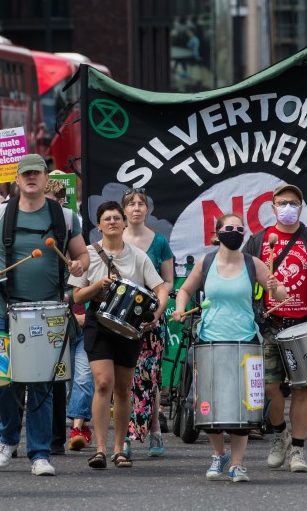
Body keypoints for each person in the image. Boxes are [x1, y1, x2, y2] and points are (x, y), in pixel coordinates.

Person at [0, 153, 88, 477]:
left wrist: (80, 264)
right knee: (1, 379)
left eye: (36, 173)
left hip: (47, 311)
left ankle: (39, 453)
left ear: (44, 178)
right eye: (24, 173)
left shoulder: (65, 216)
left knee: (41, 383)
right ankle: (8, 438)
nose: (30, 178)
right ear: (17, 179)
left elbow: (81, 255)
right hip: (3, 308)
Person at [171, 213, 285, 483]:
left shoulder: (252, 263)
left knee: (241, 409)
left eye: (240, 228)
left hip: (245, 341)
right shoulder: (207, 262)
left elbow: (280, 294)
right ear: (217, 232)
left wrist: (274, 286)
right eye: (229, 228)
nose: (235, 232)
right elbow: (185, 291)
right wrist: (179, 308)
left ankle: (237, 464)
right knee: (210, 405)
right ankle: (217, 454)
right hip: (210, 341)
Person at [242, 183, 307, 473]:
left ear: (301, 207)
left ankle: (297, 449)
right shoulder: (258, 241)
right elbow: (245, 280)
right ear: (272, 207)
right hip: (270, 325)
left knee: (301, 389)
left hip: (305, 324)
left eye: (293, 203)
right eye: (282, 203)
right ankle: (279, 435)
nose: (288, 208)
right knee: (270, 387)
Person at [69, 201, 168, 469]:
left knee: (124, 388)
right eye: (107, 218)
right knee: (103, 383)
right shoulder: (87, 255)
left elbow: (160, 288)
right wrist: (97, 286)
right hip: (98, 322)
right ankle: (100, 449)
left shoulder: (137, 255)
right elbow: (76, 295)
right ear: (99, 225)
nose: (112, 222)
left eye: (116, 218)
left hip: (129, 326)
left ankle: (119, 449)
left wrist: (156, 315)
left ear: (124, 223)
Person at [120, 187, 174, 458]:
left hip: (152, 318)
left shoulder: (160, 242)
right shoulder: (116, 239)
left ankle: (147, 431)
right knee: (127, 379)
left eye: (141, 203)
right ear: (124, 210)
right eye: (132, 204)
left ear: (147, 209)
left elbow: (168, 281)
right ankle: (135, 433)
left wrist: (157, 311)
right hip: (121, 319)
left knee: (149, 377)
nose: (137, 208)